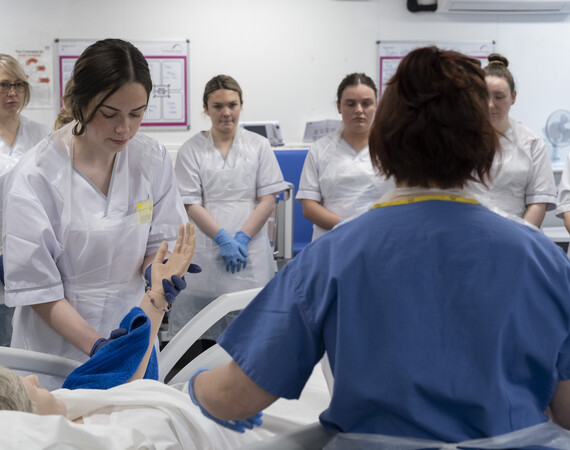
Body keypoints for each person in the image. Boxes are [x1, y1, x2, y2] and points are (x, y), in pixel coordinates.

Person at [188, 47, 570, 444]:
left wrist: (193, 388)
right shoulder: (543, 260)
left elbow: (235, 398)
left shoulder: (335, 254)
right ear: (486, 148)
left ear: (384, 142)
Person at [2, 39, 187, 390]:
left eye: (137, 113)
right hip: (55, 345)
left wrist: (157, 273)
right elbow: (39, 289)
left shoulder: (151, 159)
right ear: (79, 104)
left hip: (132, 333)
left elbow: (158, 241)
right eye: (110, 114)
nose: (125, 129)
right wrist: (99, 347)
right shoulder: (37, 174)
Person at [0, 224, 272, 449]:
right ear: (26, 420)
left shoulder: (74, 400)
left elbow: (124, 380)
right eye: (31, 388)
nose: (34, 378)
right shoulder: (115, 441)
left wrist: (157, 293)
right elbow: (37, 288)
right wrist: (201, 393)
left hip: (207, 407)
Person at [170, 74, 288, 340]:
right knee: (201, 331)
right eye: (218, 106)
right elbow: (190, 202)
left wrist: (243, 237)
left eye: (232, 105)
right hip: (206, 251)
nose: (226, 113)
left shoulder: (259, 146)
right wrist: (222, 237)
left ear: (241, 105)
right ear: (206, 109)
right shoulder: (192, 149)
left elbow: (268, 198)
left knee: (252, 330)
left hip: (252, 250)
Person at [296, 73, 393, 241]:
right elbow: (309, 206)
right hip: (332, 239)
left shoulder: (393, 149)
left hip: (379, 237)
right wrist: (346, 226)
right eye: (350, 104)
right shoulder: (319, 149)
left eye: (366, 103)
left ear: (377, 105)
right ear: (339, 107)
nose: (359, 110)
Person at [467, 53, 556, 228]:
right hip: (468, 235)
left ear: (513, 97)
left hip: (517, 238)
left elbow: (538, 202)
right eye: (484, 96)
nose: (491, 104)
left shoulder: (531, 143)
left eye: (499, 97)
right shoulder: (459, 140)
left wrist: (520, 241)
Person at [0, 54, 51, 347]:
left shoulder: (42, 135)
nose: (13, 93)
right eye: (4, 85)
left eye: (19, 85)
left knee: (31, 339)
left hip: (32, 249)